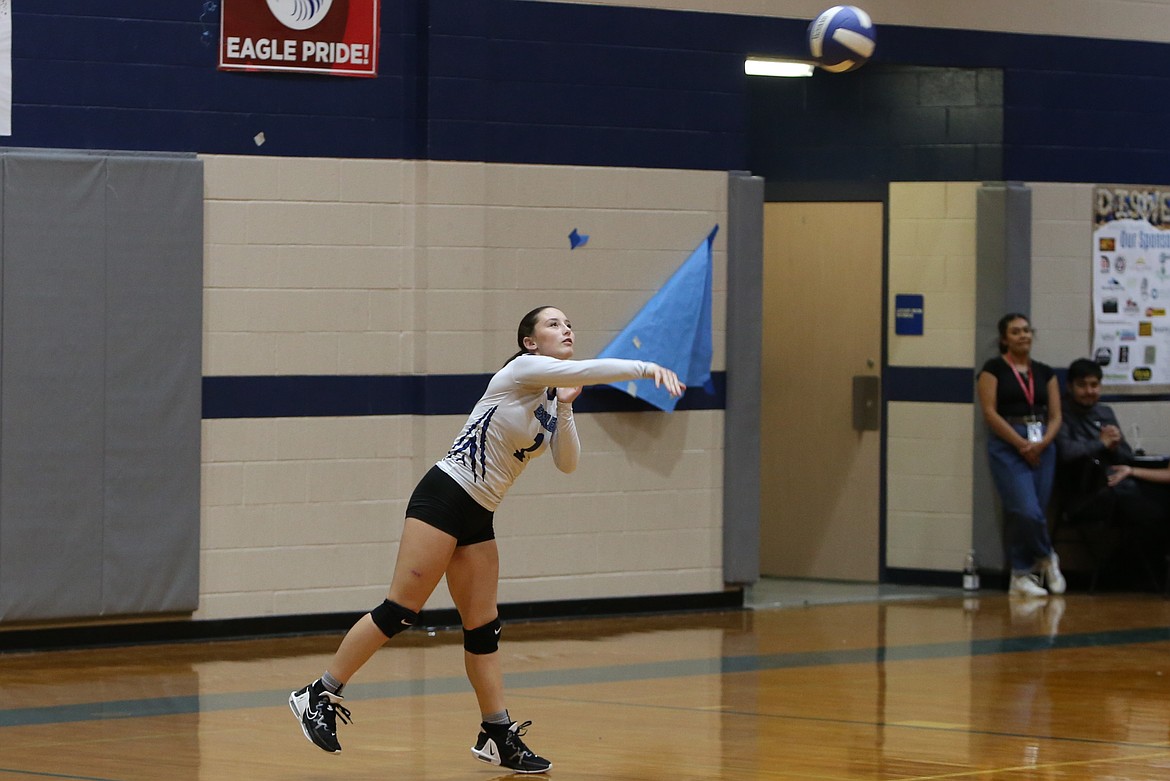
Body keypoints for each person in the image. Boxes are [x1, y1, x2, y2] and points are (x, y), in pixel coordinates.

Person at [288, 306, 685, 774]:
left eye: (569, 323)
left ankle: (496, 734)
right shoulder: (521, 370)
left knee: (483, 630)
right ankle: (319, 692)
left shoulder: (547, 397)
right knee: (400, 610)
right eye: (554, 324)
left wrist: (565, 405)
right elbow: (585, 370)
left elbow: (567, 462)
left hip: (479, 512)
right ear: (530, 342)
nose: (567, 329)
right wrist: (644, 367)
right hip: (445, 494)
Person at [977, 313, 1065, 598]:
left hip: (1042, 444)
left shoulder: (1044, 372)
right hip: (1008, 444)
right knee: (1024, 508)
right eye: (1016, 332)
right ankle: (1047, 556)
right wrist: (1019, 444)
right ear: (1005, 339)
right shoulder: (993, 369)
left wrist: (1042, 443)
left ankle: (1020, 574)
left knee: (1031, 511)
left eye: (1027, 331)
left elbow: (1056, 415)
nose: (1023, 336)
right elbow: (990, 412)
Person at [1057, 357, 1170, 532]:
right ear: (1070, 387)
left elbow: (1127, 456)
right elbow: (1067, 453)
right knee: (1149, 513)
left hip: (1119, 481)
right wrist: (1100, 443)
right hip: (1088, 490)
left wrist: (1115, 445)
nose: (1089, 391)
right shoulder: (1060, 414)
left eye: (1094, 385)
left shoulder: (1105, 412)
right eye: (1082, 385)